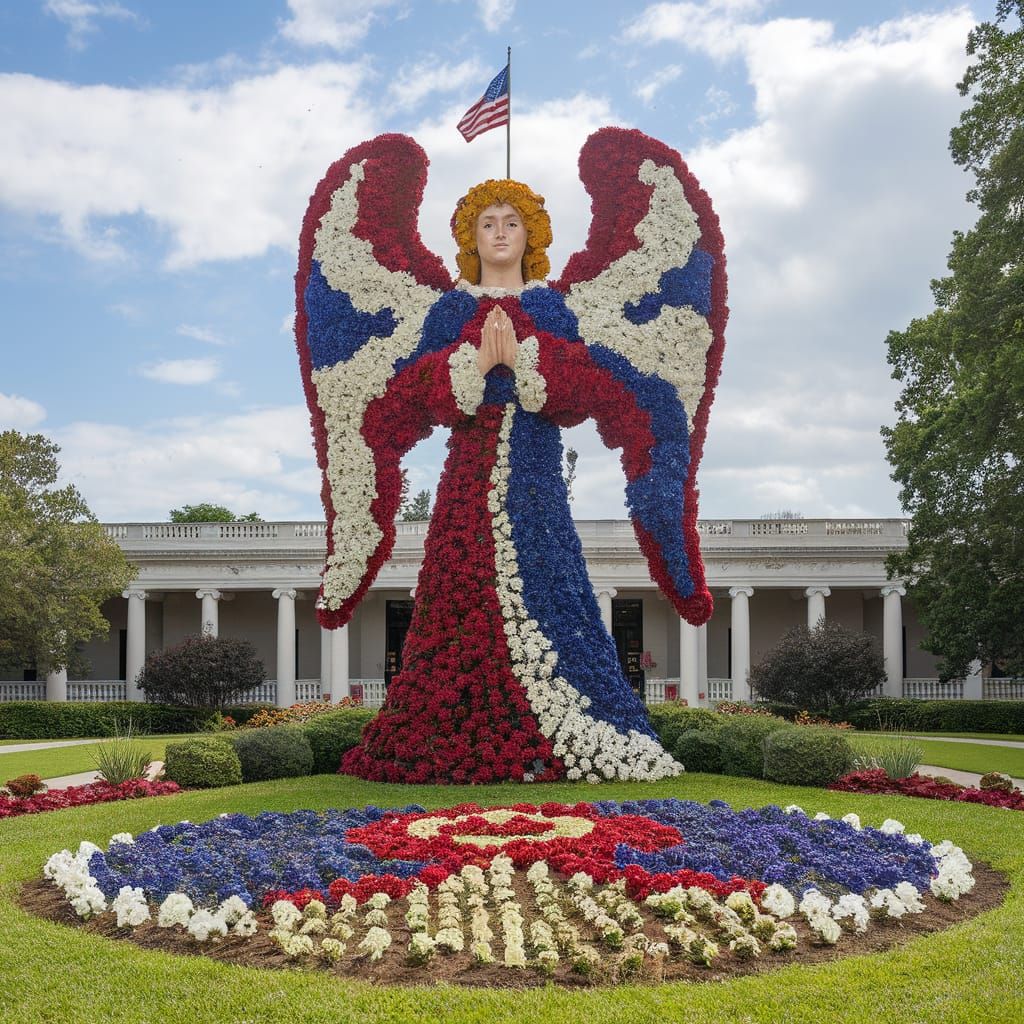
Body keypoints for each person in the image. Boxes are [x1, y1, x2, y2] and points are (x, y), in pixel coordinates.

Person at [339, 179, 681, 785]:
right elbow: (404, 395)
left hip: (536, 482)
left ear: (532, 234)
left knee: (553, 585)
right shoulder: (450, 311)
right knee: (455, 593)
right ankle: (450, 737)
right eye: (487, 222)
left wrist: (526, 360)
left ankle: (574, 729)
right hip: (465, 481)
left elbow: (586, 391)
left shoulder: (551, 308)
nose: (499, 232)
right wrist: (469, 366)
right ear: (471, 237)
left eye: (511, 222)